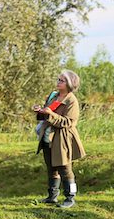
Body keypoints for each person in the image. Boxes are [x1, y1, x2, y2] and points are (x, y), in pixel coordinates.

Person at [33, 70, 86, 208]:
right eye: (58, 79)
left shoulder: (72, 100)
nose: (58, 82)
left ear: (70, 83)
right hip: (47, 137)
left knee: (65, 169)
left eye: (61, 80)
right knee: (51, 168)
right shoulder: (53, 96)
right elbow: (47, 115)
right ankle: (52, 196)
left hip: (62, 139)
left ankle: (70, 197)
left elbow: (69, 122)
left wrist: (51, 114)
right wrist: (41, 111)